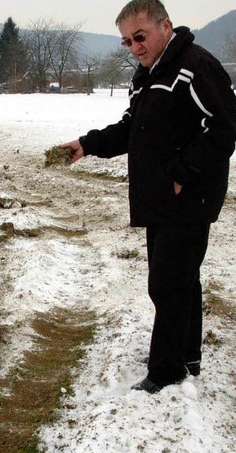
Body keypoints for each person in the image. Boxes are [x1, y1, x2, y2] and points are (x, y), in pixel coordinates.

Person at [61, 0, 236, 393]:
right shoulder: (148, 75)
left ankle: (167, 370)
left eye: (140, 37)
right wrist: (87, 145)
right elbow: (132, 128)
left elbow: (224, 128)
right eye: (126, 42)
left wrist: (182, 174)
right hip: (160, 197)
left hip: (189, 197)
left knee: (167, 284)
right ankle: (185, 355)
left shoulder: (195, 67)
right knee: (181, 278)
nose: (135, 47)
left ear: (165, 26)